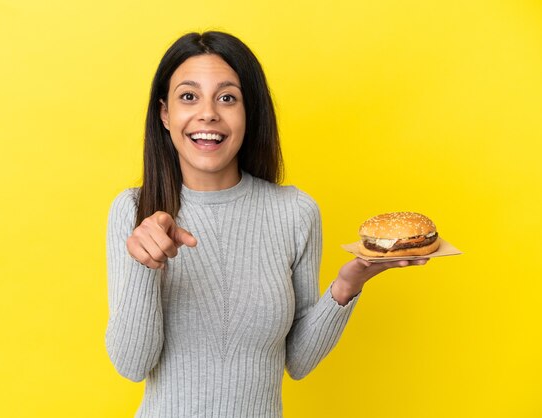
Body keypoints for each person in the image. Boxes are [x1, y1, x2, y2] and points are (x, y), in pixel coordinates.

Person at [105, 31, 428, 417]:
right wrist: (146, 265)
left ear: (249, 112)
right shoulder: (133, 210)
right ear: (164, 114)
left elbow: (298, 361)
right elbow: (131, 365)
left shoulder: (294, 212)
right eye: (188, 96)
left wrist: (347, 285)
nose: (208, 112)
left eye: (227, 97)